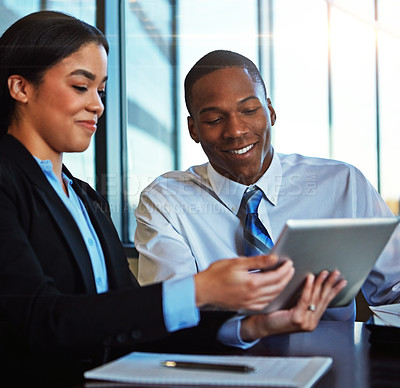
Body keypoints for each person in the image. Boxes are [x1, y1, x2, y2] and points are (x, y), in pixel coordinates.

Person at [0, 12, 346, 387]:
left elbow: (132, 321)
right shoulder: (8, 180)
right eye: (81, 87)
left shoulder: (84, 198)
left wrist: (250, 326)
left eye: (100, 90)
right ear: (21, 87)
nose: (98, 105)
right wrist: (201, 289)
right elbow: (38, 320)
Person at [135, 49, 400, 321]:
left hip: (334, 358)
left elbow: (394, 289)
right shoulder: (166, 201)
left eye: (249, 110)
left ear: (270, 112)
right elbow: (170, 313)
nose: (236, 131)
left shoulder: (344, 185)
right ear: (193, 130)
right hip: (219, 357)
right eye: (214, 120)